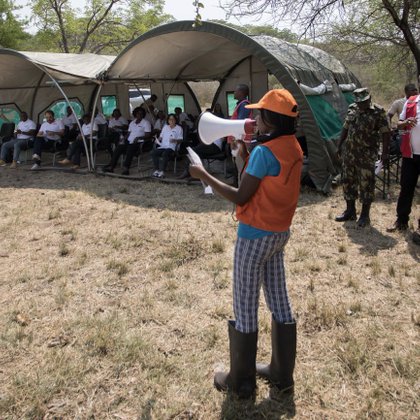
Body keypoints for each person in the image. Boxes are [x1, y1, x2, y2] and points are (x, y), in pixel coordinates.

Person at [189, 89, 303, 399]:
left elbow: (241, 196)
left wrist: (204, 175)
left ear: (270, 119)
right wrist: (243, 155)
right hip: (279, 233)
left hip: (254, 235)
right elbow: (261, 182)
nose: (254, 118)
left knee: (244, 302)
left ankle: (241, 380)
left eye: (260, 114)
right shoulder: (291, 146)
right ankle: (281, 373)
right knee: (278, 297)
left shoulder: (265, 152)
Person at [335, 88, 390, 227]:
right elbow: (346, 128)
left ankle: (365, 216)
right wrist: (340, 145)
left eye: (363, 102)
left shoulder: (378, 111)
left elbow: (386, 133)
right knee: (348, 181)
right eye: (358, 102)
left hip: (366, 155)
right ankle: (350, 211)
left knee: (366, 184)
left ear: (369, 99)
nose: (361, 105)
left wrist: (384, 153)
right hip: (350, 153)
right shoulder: (352, 108)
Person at [387, 77, 420, 245]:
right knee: (406, 187)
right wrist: (405, 122)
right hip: (410, 154)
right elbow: (399, 123)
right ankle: (401, 221)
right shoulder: (411, 102)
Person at [103, 107, 151, 176]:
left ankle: (126, 168)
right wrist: (123, 139)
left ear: (143, 114)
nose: (139, 115)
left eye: (141, 113)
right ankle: (111, 167)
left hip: (139, 142)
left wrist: (139, 137)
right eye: (138, 113)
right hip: (129, 141)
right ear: (135, 114)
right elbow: (128, 133)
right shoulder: (132, 122)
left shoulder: (146, 123)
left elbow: (148, 135)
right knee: (118, 148)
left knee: (130, 149)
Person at [229, 84, 253, 185]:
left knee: (241, 167)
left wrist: (235, 141)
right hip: (238, 141)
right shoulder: (241, 105)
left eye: (236, 90)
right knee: (239, 166)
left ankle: (241, 190)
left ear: (241, 92)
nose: (234, 92)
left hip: (240, 141)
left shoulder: (243, 105)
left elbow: (239, 125)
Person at [151, 113, 183, 178]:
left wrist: (175, 140)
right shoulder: (165, 127)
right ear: (168, 120)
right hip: (163, 146)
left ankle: (162, 171)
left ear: (175, 120)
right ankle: (157, 170)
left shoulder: (179, 128)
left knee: (165, 153)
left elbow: (181, 140)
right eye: (170, 119)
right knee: (153, 153)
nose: (171, 121)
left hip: (172, 147)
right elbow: (161, 137)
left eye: (173, 119)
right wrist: (157, 140)